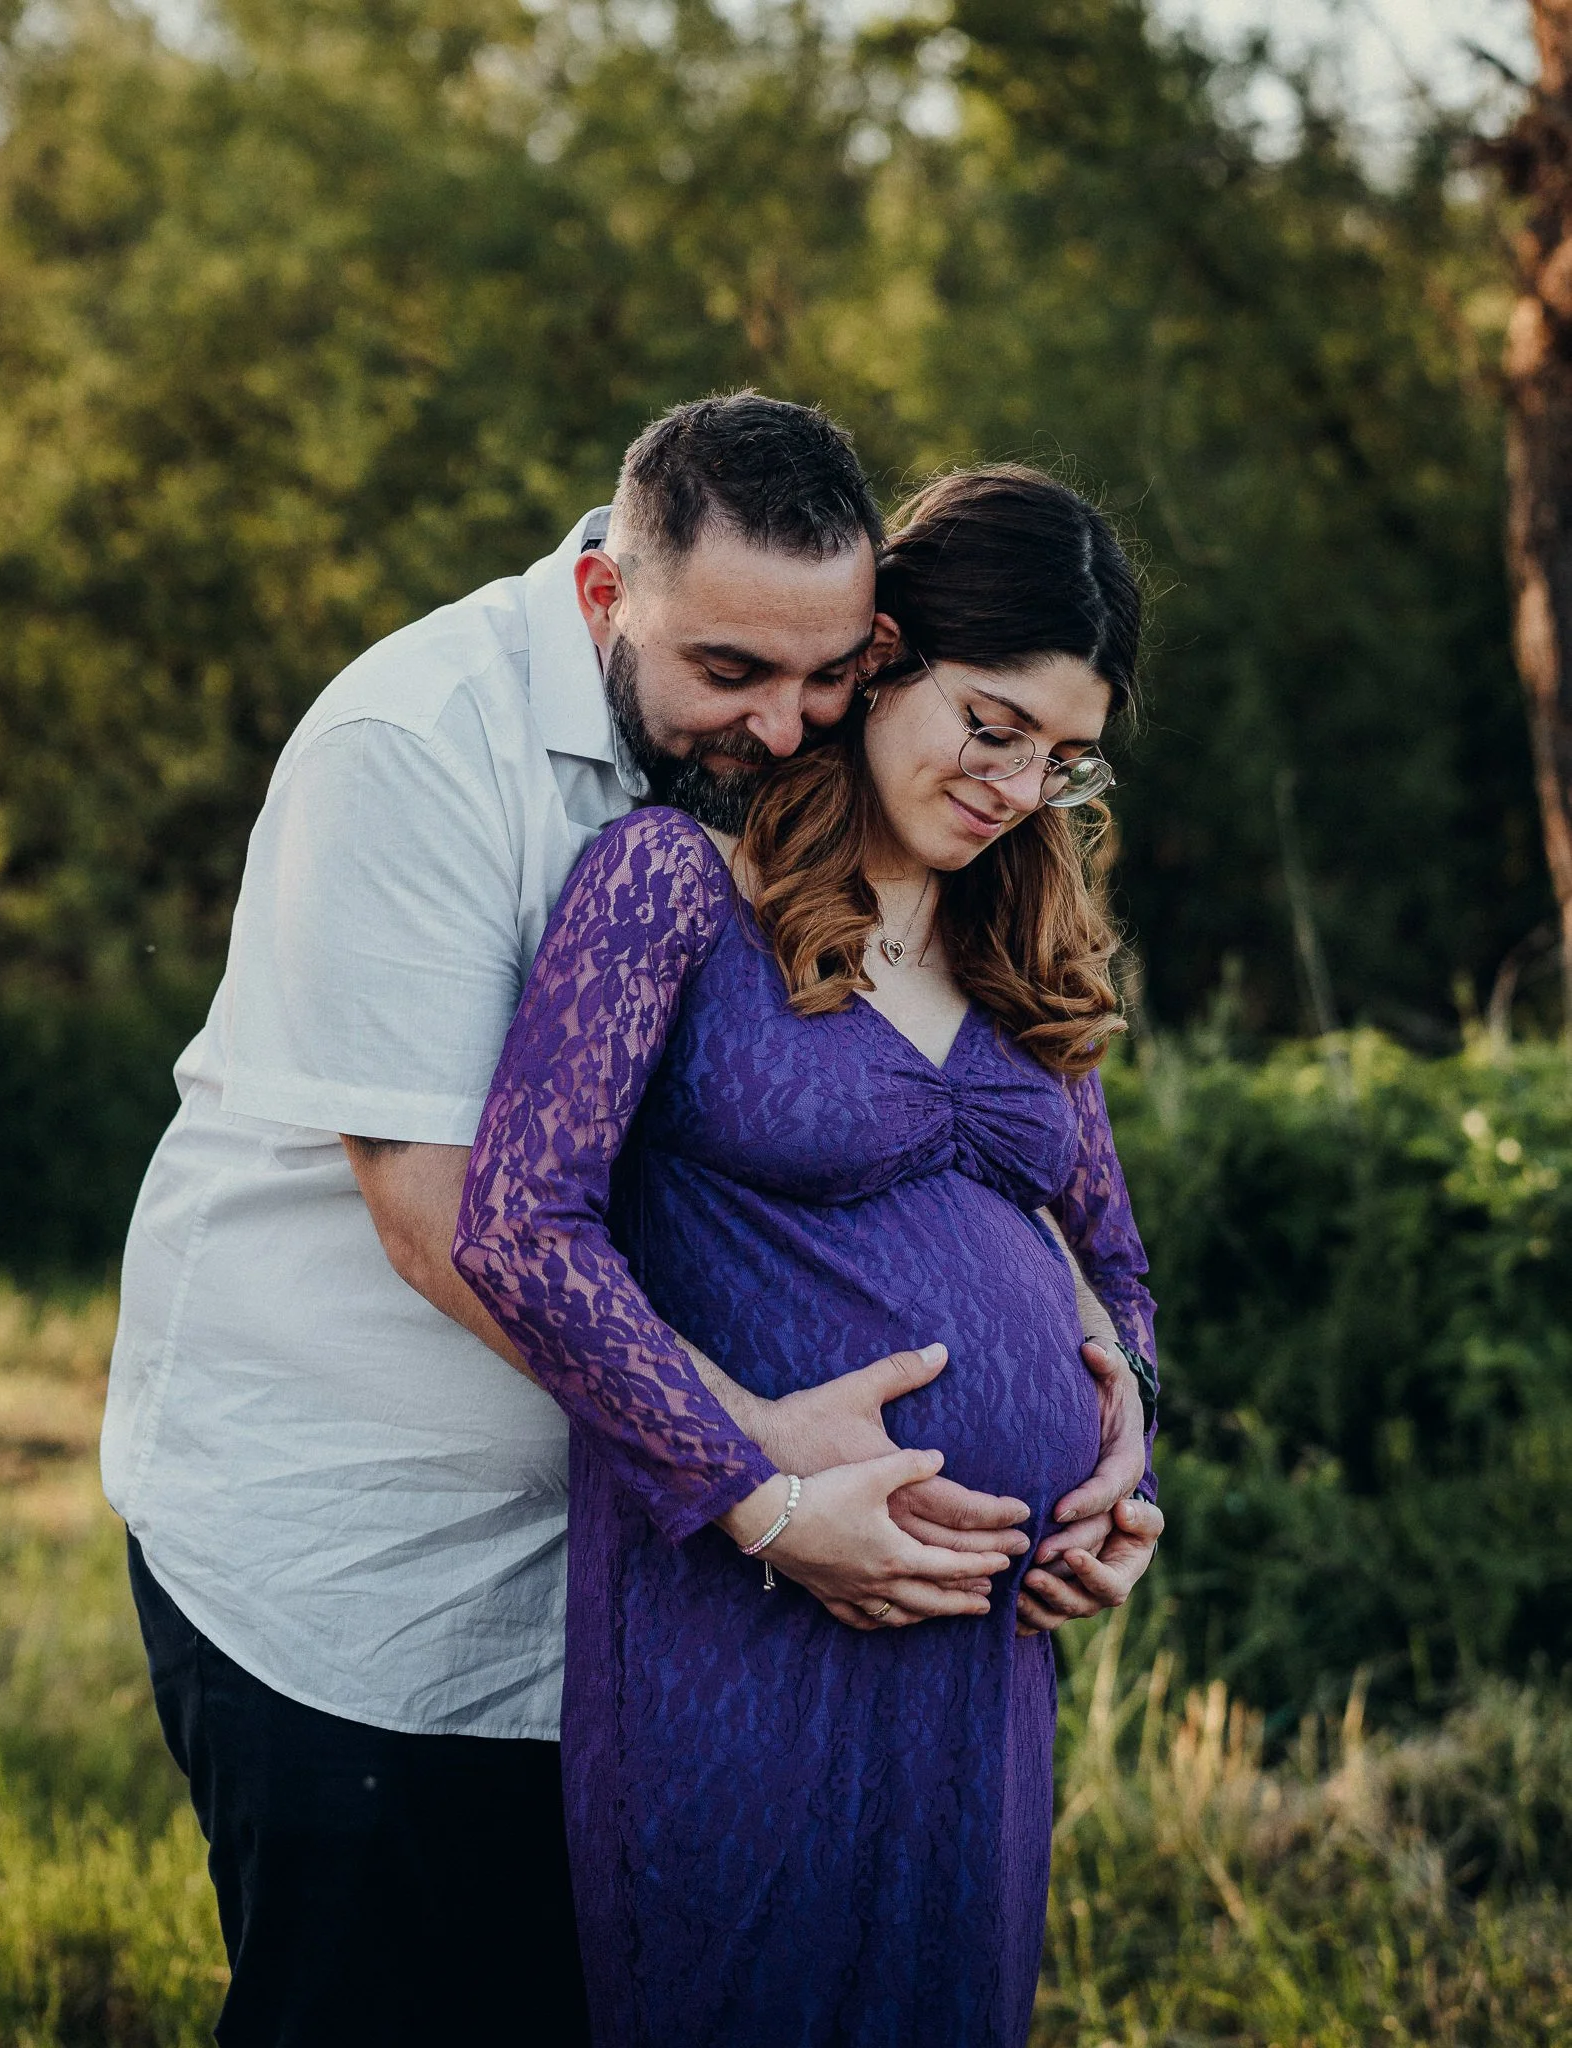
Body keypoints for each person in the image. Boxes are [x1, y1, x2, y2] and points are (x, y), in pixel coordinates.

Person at [101, 395, 1156, 2046]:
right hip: (368, 1547)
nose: (789, 726)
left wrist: (1109, 1388)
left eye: (825, 678)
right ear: (607, 595)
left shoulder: (818, 813)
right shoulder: (418, 748)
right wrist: (759, 1477)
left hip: (670, 1574)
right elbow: (456, 1220)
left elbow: (1054, 1204)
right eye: (733, 677)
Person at [453, 464, 1162, 2047]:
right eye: (991, 724)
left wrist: (1131, 1455)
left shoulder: (1018, 948)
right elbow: (517, 1224)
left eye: (1060, 758)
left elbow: (1118, 1270)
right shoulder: (670, 893)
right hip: (746, 1607)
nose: (1014, 787)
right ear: (880, 660)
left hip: (982, 1650)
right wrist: (747, 1488)